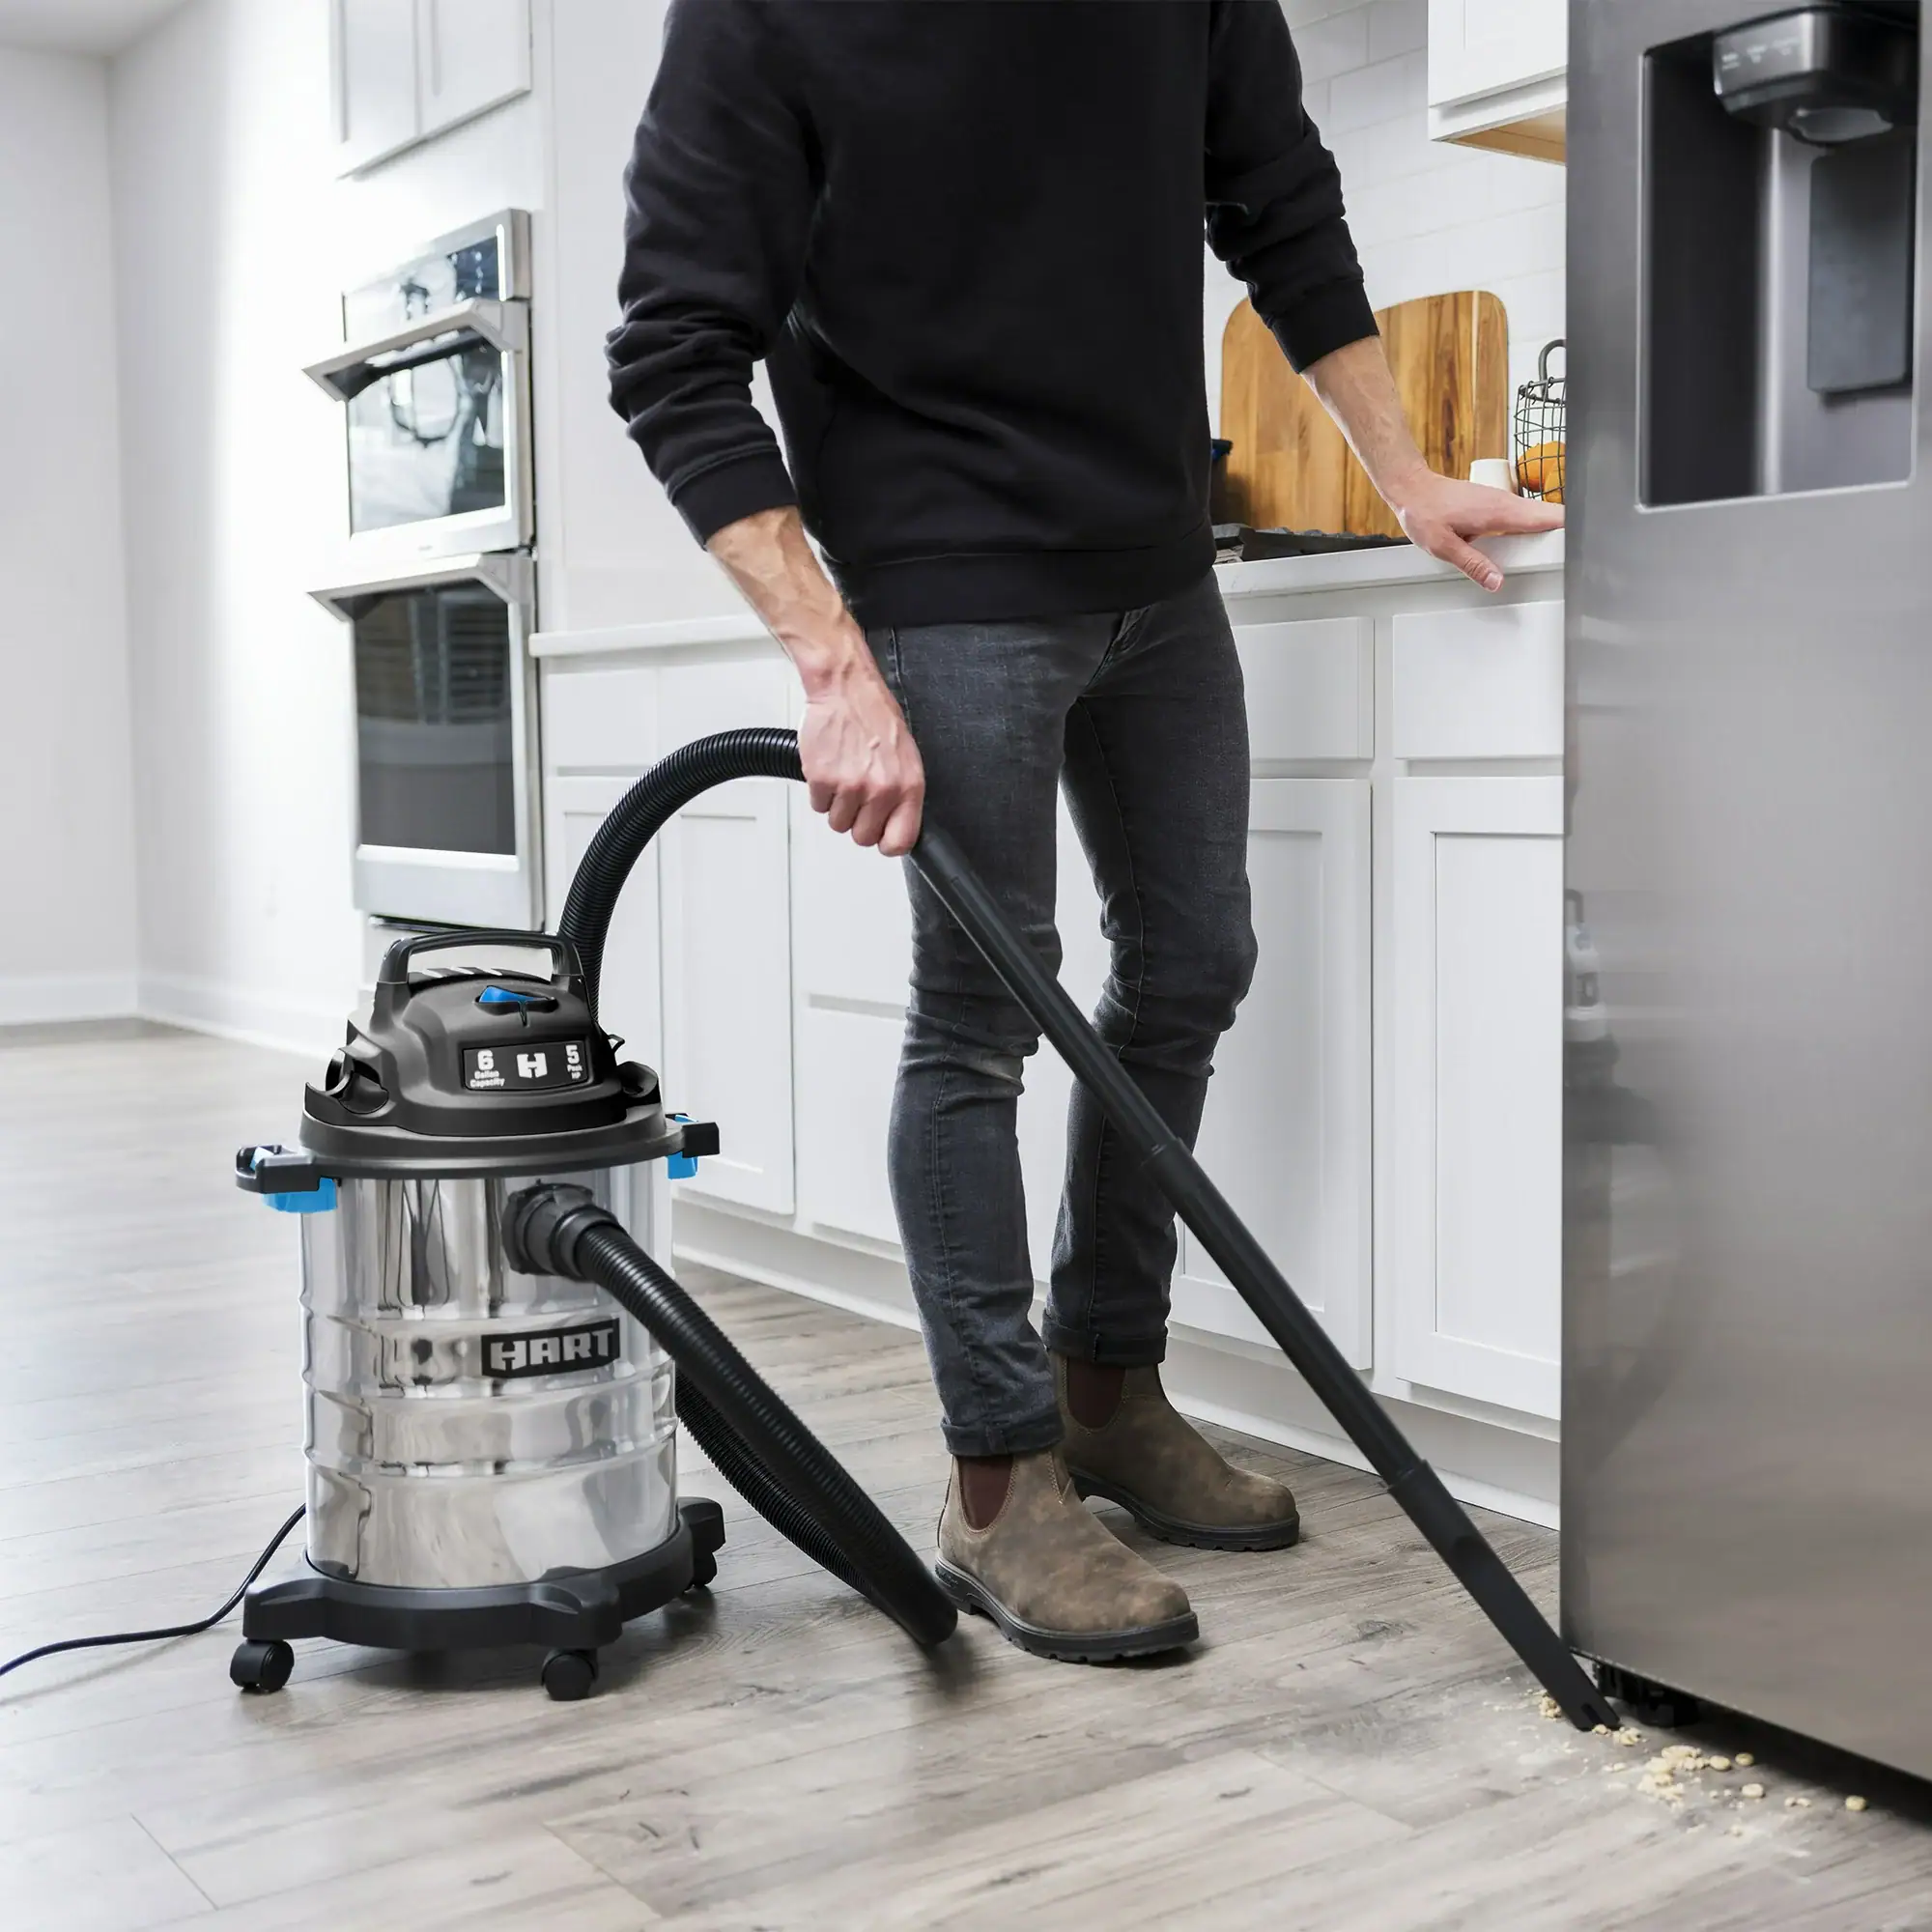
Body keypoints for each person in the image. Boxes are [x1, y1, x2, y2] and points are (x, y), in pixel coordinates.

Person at [608, 0, 1562, 1663]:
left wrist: (1406, 475)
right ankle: (997, 1481)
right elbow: (673, 352)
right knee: (983, 1019)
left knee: (1192, 965)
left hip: (1159, 566)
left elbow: (1279, 199)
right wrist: (833, 666)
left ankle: (1107, 1388)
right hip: (945, 578)